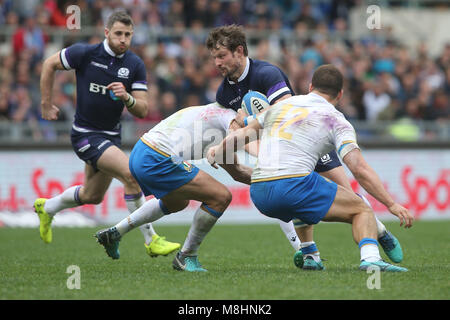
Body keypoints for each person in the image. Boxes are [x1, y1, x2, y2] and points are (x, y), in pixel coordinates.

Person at [206, 25, 403, 270]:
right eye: (214, 57)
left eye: (221, 56)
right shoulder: (223, 92)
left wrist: (246, 121)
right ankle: (314, 253)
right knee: (295, 190)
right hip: (277, 148)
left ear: (239, 51)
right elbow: (236, 129)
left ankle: (381, 231)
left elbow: (285, 114)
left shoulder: (267, 73)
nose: (217, 62)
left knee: (345, 191)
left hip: (307, 135)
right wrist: (256, 148)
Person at [34, 10, 180, 258]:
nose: (123, 39)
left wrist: (128, 97)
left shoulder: (134, 64)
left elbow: (143, 109)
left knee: (93, 195)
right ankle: (150, 239)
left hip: (111, 137)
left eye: (128, 35)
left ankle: (47, 207)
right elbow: (49, 64)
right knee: (131, 175)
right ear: (106, 33)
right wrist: (46, 103)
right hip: (85, 134)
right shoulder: (86, 53)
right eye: (118, 34)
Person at [95, 102, 253, 272]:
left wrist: (275, 179)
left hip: (141, 151)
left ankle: (116, 232)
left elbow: (239, 172)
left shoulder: (216, 117)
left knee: (178, 202)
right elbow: (245, 140)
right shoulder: (229, 117)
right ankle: (186, 257)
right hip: (157, 156)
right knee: (220, 197)